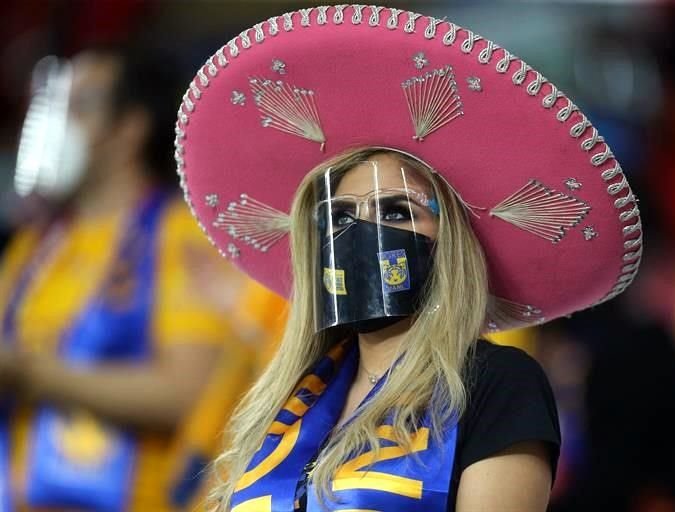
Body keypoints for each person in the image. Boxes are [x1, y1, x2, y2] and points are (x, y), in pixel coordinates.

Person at [174, 5, 643, 511]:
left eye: (396, 211)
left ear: (451, 243)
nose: (363, 234)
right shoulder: (283, 403)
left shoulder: (497, 382)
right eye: (340, 218)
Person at [0, 45, 269, 511]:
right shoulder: (34, 244)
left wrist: (33, 374)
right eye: (54, 104)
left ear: (130, 129)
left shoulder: (181, 236)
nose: (54, 123)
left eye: (79, 106)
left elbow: (190, 393)